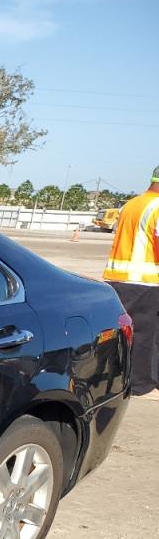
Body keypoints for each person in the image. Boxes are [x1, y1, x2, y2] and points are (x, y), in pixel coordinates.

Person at [103, 165, 159, 394]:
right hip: (146, 281)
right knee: (146, 334)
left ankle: (117, 378)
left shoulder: (132, 204)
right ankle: (139, 383)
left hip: (118, 279)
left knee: (125, 334)